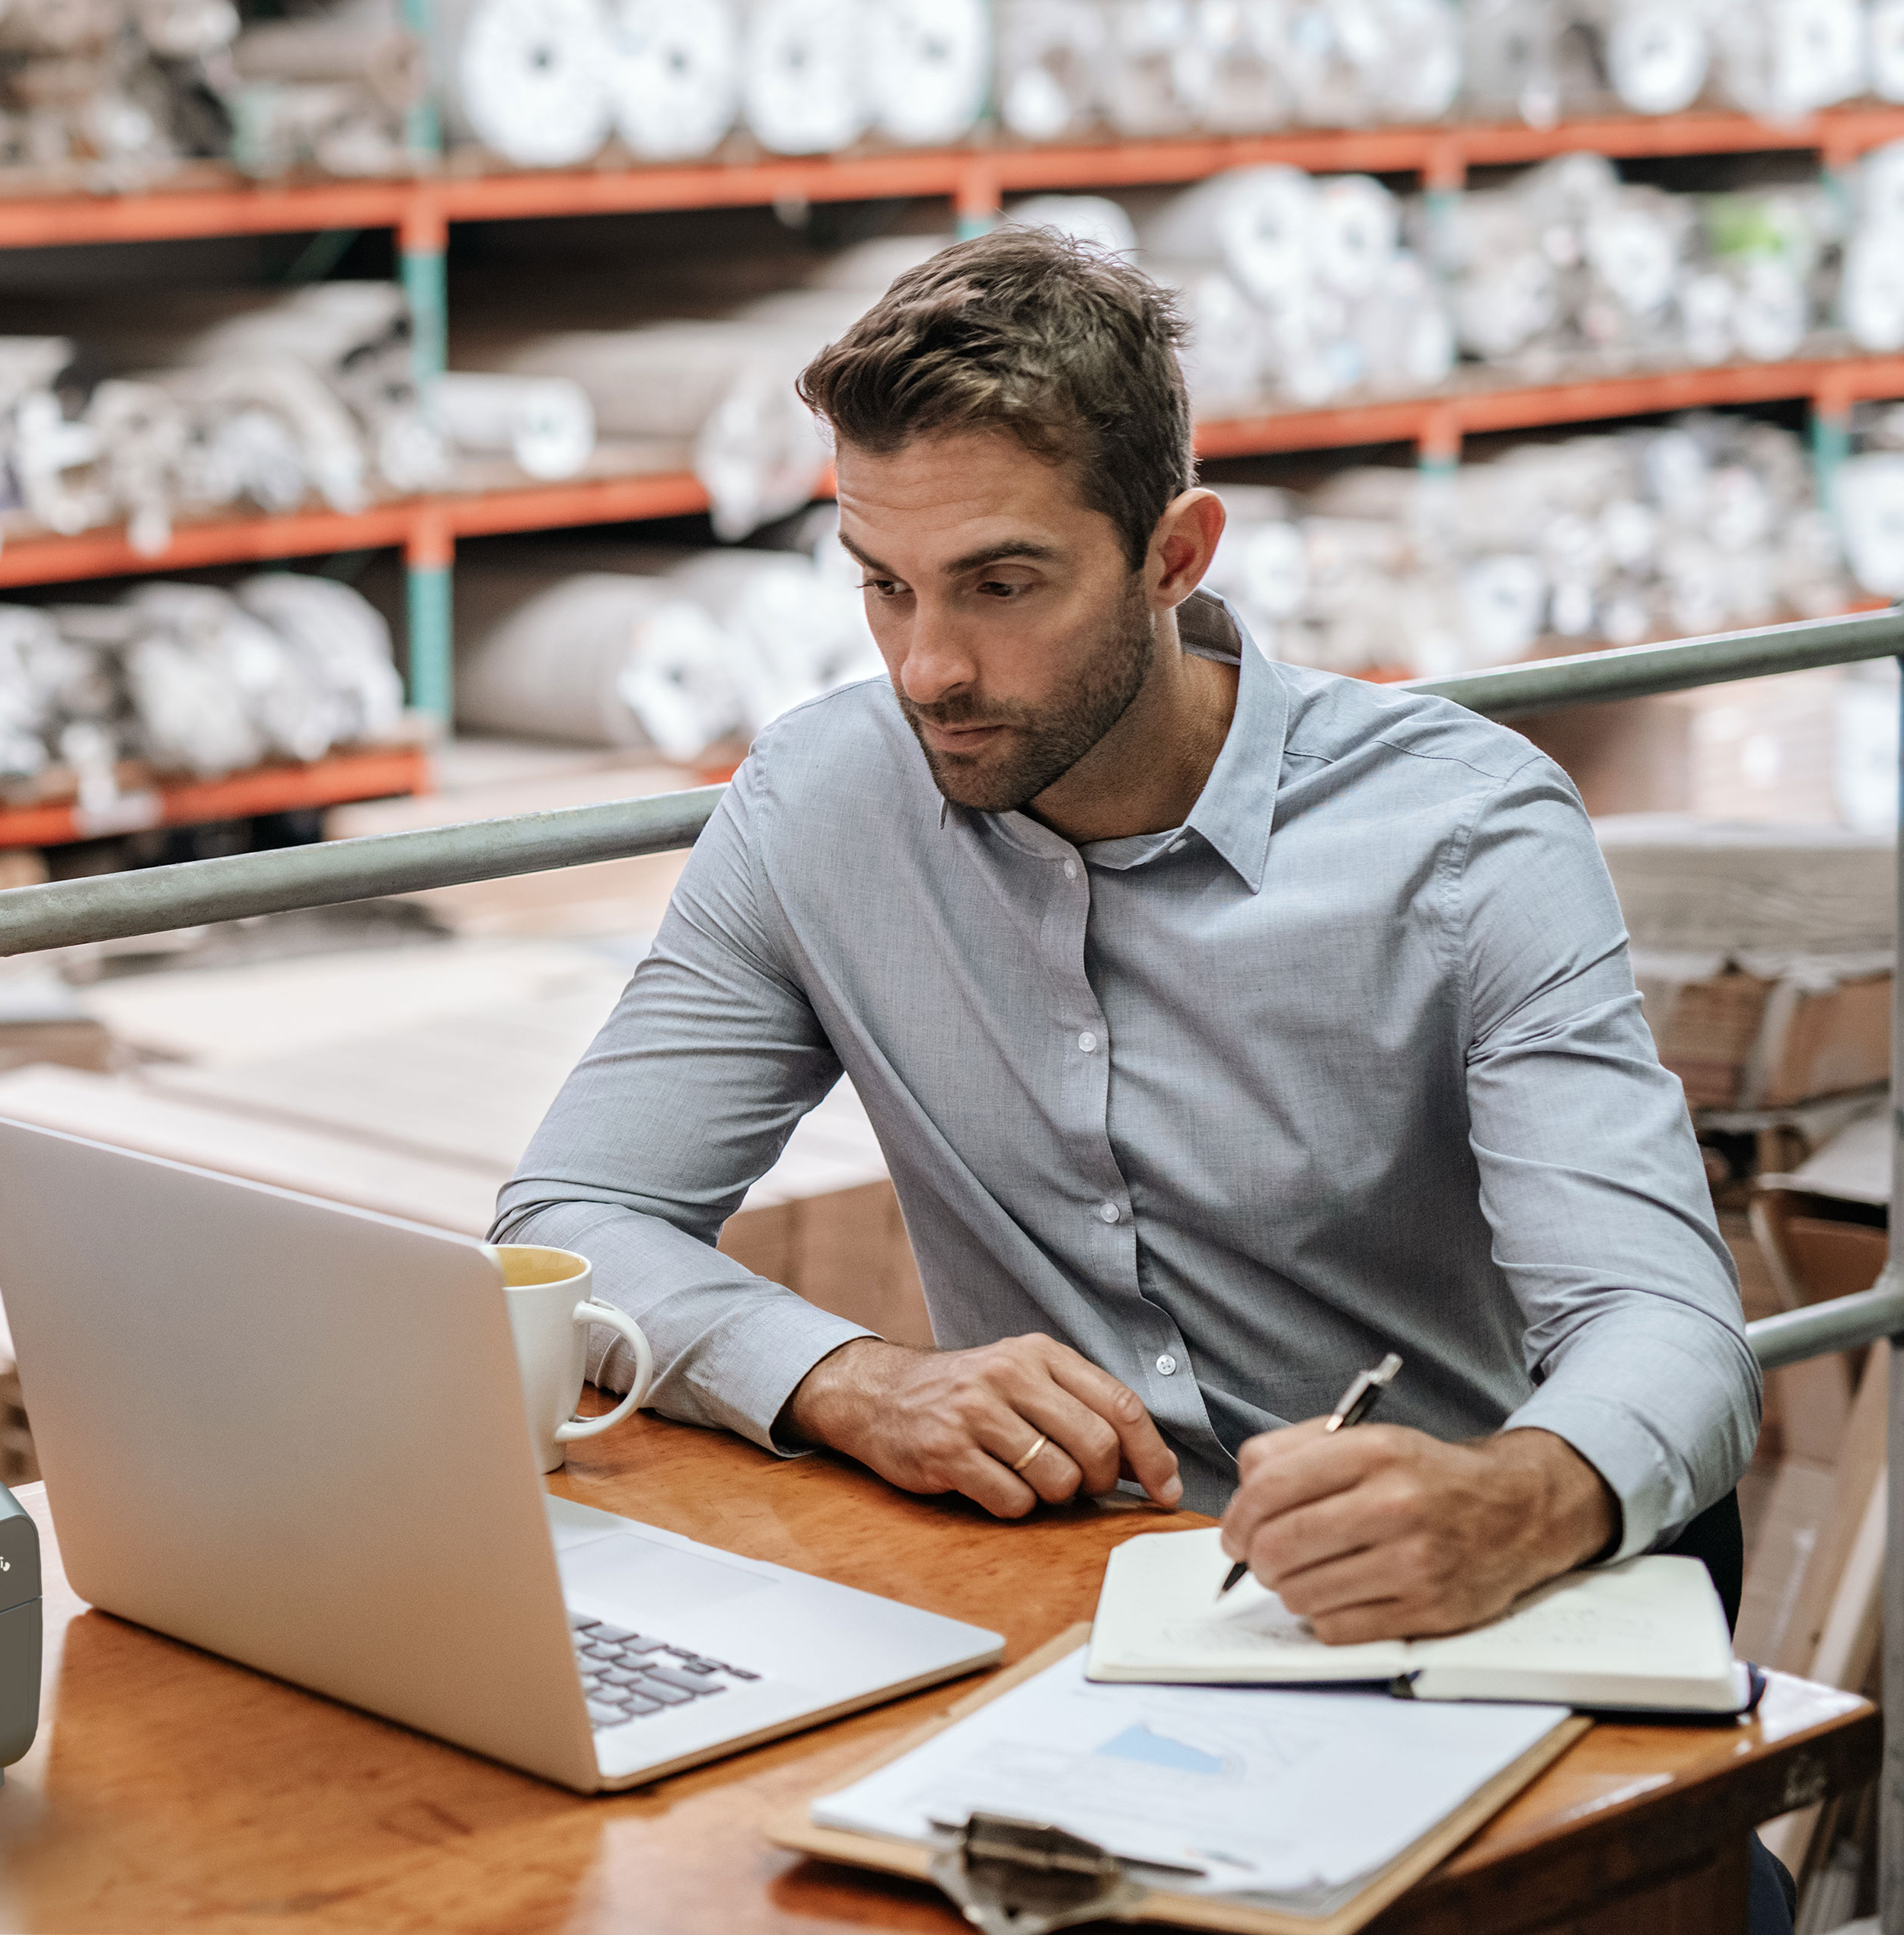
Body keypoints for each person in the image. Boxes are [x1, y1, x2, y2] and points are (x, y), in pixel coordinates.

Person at [490, 227, 1759, 1653]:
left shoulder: (1466, 834)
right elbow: (567, 1219)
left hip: (1438, 1616)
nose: (927, 669)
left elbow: (1666, 1324)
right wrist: (854, 1380)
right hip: (1046, 1606)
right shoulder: (816, 804)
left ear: (1175, 555)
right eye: (884, 584)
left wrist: (1519, 1499)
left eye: (1002, 585)